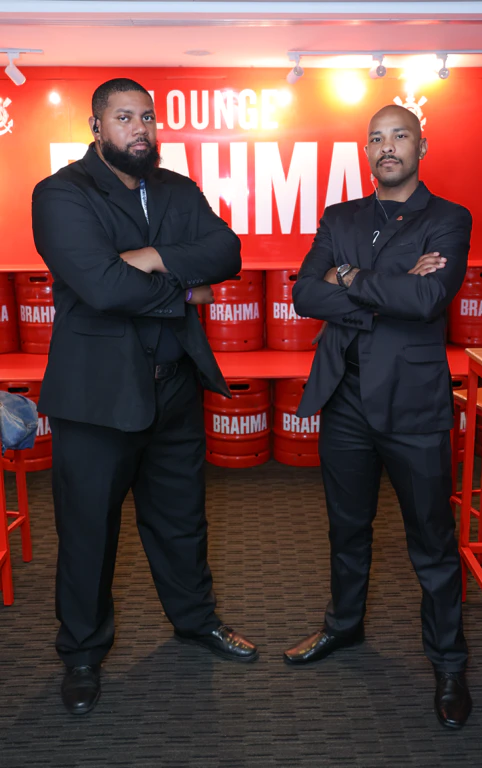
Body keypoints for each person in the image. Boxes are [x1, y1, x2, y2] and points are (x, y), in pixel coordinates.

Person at [32, 78, 258, 716]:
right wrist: (186, 291)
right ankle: (81, 654)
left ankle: (195, 620)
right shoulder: (61, 193)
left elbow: (227, 252)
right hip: (97, 398)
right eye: (124, 117)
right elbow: (103, 287)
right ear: (96, 127)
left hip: (174, 385)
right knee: (88, 533)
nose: (140, 129)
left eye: (147, 118)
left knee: (182, 519)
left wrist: (153, 255)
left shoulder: (177, 189)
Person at [286, 104, 472, 729]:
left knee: (432, 542)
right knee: (347, 528)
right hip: (344, 400)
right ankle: (344, 625)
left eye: (399, 136)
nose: (387, 147)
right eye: (376, 139)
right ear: (366, 151)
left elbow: (427, 299)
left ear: (422, 145)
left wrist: (349, 278)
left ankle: (449, 664)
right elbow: (304, 293)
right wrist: (387, 284)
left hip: (413, 404)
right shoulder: (340, 217)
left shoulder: (448, 218)